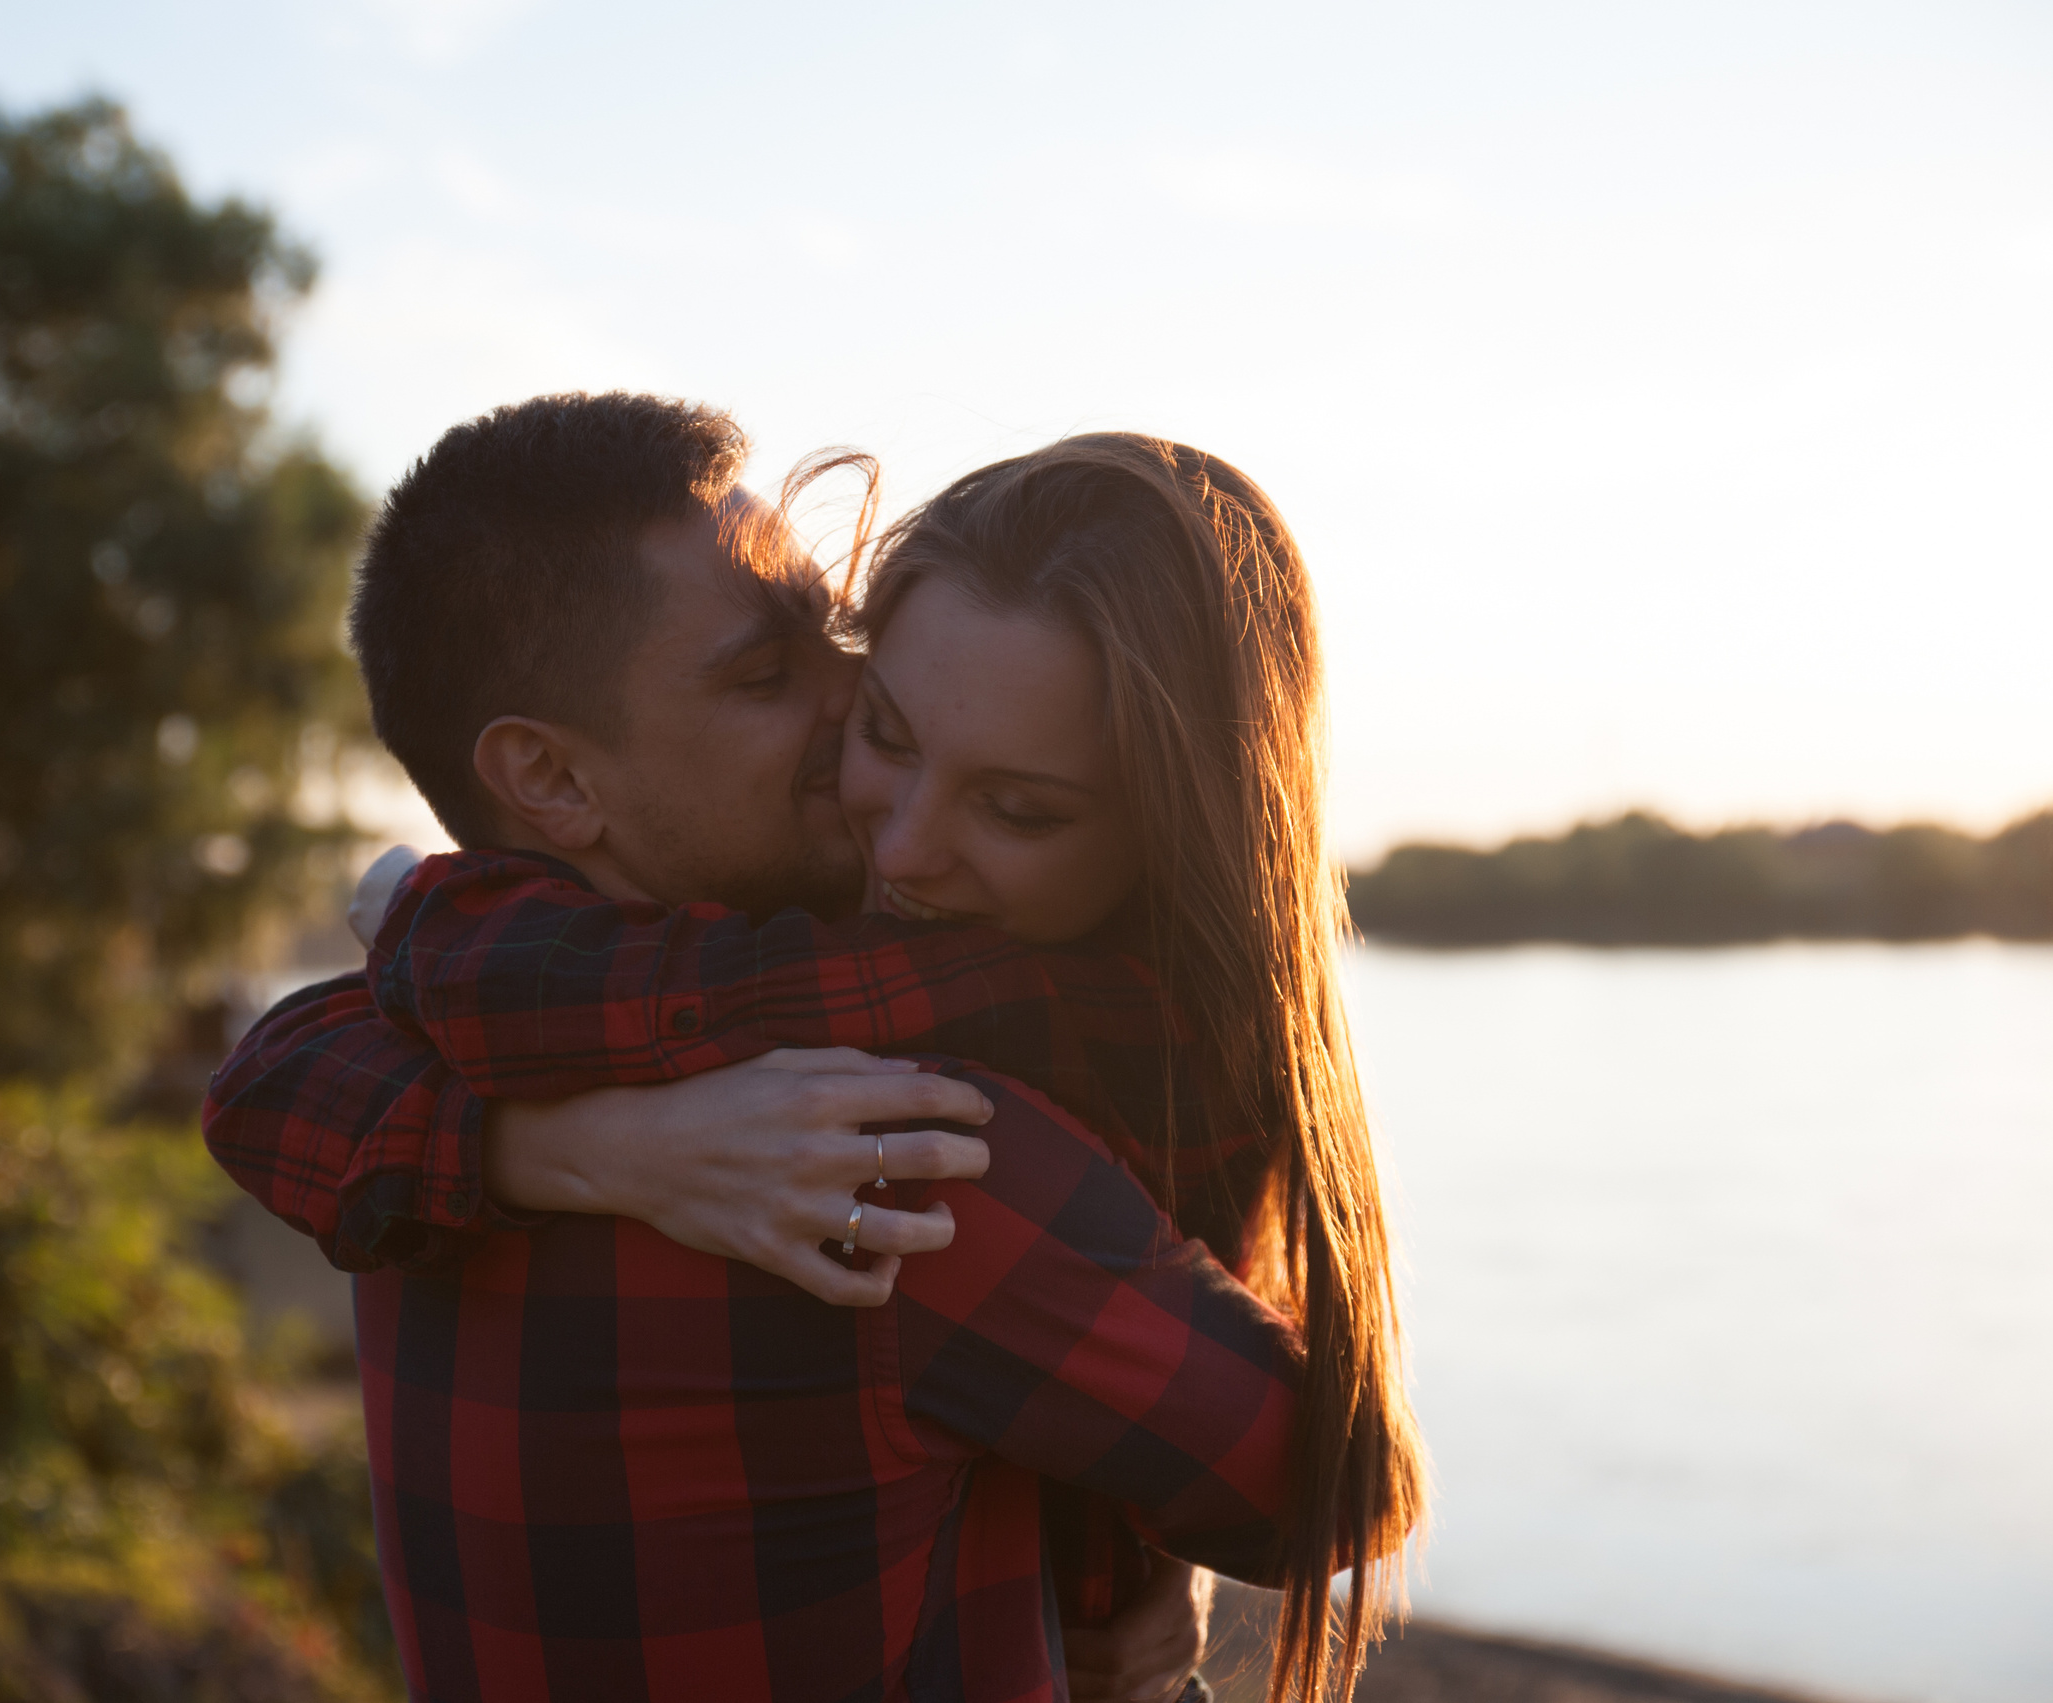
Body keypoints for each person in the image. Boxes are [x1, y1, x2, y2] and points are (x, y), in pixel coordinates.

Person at [205, 396, 1425, 1700]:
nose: (845, 703)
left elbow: (264, 1080)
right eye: (765, 677)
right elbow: (1335, 1493)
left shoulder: (424, 1063)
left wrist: (551, 1133)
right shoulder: (902, 1164)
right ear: (551, 780)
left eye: (830, 640)